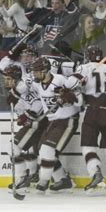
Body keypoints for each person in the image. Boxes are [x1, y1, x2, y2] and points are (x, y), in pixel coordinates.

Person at [29, 56, 83, 192]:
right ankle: (62, 180)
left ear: (46, 70)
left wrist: (70, 98)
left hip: (68, 120)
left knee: (47, 150)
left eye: (37, 71)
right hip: (52, 120)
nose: (34, 74)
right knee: (42, 151)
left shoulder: (60, 80)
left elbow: (80, 100)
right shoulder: (36, 84)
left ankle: (43, 183)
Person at [76, 45, 106, 192]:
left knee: (88, 146)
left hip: (93, 111)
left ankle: (96, 172)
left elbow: (74, 88)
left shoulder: (83, 68)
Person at [3, 64, 47, 191]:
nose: (6, 81)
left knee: (13, 149)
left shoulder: (25, 85)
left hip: (37, 123)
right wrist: (23, 117)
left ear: (16, 79)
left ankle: (23, 178)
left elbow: (39, 102)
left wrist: (26, 116)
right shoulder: (15, 92)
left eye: (8, 79)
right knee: (29, 151)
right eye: (5, 78)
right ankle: (33, 175)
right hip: (34, 124)